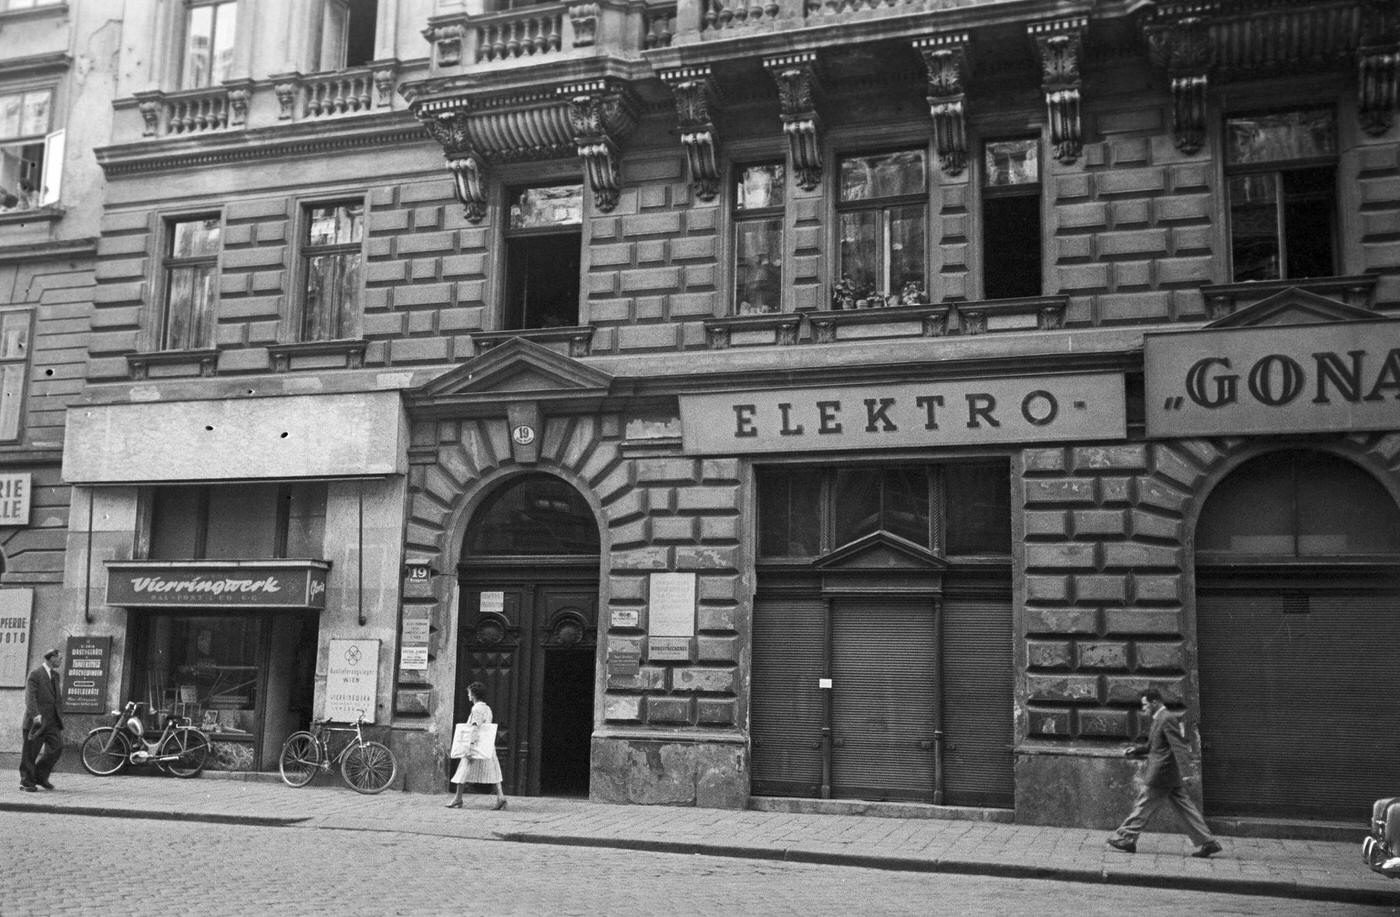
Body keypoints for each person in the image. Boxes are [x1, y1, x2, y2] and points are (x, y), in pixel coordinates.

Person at [1106, 688, 1222, 858]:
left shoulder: (1166, 719)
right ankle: (1208, 842)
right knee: (1186, 809)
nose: (1143, 708)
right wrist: (1137, 750)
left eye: (1145, 705)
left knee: (1143, 805)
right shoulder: (1159, 718)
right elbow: (1156, 746)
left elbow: (1178, 746)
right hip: (1169, 775)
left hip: (1161, 773)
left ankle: (1126, 837)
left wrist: (1187, 772)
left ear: (1155, 703)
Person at [445, 682, 506, 811]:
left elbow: (474, 727)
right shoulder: (487, 708)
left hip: (476, 744)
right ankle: (500, 796)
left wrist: (470, 747)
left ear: (473, 695)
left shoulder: (477, 709)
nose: (468, 695)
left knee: (463, 769)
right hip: (486, 745)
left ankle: (458, 798)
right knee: (494, 770)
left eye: (469, 693)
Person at [20, 647, 64, 792]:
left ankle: (40, 776)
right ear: (52, 658)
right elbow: (30, 697)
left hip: (52, 721)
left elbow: (56, 698)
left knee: (57, 747)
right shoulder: (35, 674)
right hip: (37, 721)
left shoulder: (55, 675)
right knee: (30, 752)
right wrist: (35, 715)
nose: (61, 660)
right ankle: (26, 782)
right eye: (59, 658)